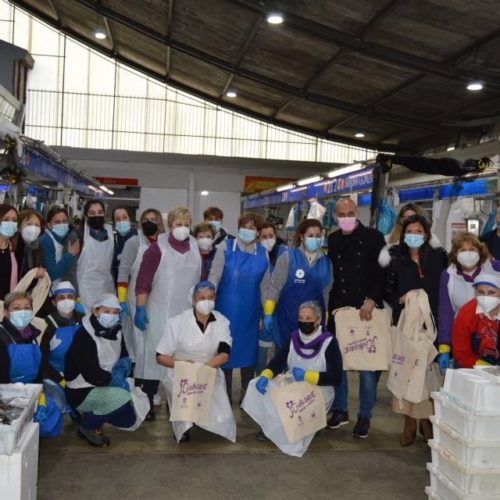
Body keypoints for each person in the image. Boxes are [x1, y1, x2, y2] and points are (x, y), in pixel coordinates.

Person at [243, 301, 342, 455]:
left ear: (318, 320)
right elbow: (278, 362)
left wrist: (308, 376)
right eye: (300, 318)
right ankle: (271, 428)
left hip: (318, 391)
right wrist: (265, 375)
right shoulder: (294, 338)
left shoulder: (329, 341)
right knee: (259, 386)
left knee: (293, 415)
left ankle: (303, 425)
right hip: (293, 385)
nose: (304, 322)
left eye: (308, 318)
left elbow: (336, 377)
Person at [382, 214, 448, 446]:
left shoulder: (439, 257)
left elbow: (446, 284)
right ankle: (409, 422)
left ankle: (427, 421)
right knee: (408, 370)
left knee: (429, 374)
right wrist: (399, 298)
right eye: (410, 231)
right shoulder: (396, 258)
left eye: (419, 231)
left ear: (427, 234)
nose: (414, 236)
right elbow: (386, 289)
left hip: (432, 324)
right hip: (407, 324)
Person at [327, 197, 386, 439]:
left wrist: (372, 299)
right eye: (342, 214)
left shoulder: (374, 238)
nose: (346, 217)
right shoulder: (332, 240)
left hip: (366, 309)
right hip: (339, 310)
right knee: (337, 362)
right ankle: (341, 409)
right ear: (335, 217)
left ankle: (364, 416)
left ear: (357, 213)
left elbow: (385, 271)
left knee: (366, 366)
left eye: (350, 212)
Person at [134, 207, 201, 420]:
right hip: (159, 312)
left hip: (186, 313)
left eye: (186, 224)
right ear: (170, 225)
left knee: (182, 359)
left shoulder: (196, 248)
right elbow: (143, 282)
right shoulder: (156, 249)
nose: (183, 228)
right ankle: (147, 403)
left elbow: (202, 280)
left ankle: (180, 407)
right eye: (178, 224)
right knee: (155, 357)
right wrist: (140, 308)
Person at [156, 280, 235, 443]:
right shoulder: (177, 322)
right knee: (186, 406)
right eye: (202, 297)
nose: (207, 301)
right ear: (193, 300)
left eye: (211, 297)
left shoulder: (222, 322)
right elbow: (160, 356)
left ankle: (201, 418)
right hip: (180, 370)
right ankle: (183, 423)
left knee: (221, 419)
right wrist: (185, 367)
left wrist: (203, 369)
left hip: (209, 369)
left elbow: (224, 354)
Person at [208, 212, 268, 403]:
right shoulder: (225, 247)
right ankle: (223, 397)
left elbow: (265, 287)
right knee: (224, 354)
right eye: (245, 226)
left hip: (250, 314)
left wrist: (267, 313)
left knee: (248, 356)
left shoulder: (263, 252)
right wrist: (208, 303)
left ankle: (247, 396)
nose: (248, 230)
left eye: (252, 227)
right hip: (224, 312)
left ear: (258, 232)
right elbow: (214, 277)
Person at [65, 293, 136, 447]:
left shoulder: (116, 331)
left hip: (105, 384)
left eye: (115, 312)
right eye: (106, 311)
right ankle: (87, 427)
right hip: (81, 390)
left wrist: (124, 371)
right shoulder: (84, 335)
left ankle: (92, 415)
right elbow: (91, 374)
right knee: (121, 398)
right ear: (96, 311)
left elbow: (124, 355)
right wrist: (114, 381)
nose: (111, 316)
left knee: (128, 419)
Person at [261, 219, 332, 350]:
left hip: (313, 323)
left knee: (310, 359)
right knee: (285, 358)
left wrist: (326, 316)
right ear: (302, 237)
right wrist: (268, 313)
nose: (315, 239)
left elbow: (326, 293)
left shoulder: (326, 263)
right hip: (287, 319)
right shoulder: (288, 257)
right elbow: (275, 287)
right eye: (310, 236)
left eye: (318, 236)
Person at [437, 233, 500, 373]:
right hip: (464, 335)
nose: (468, 254)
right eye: (462, 250)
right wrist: (444, 347)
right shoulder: (448, 275)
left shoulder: (495, 268)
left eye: (472, 249)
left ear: (480, 251)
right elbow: (445, 312)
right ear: (455, 254)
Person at [255, 221, 288, 373]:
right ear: (258, 238)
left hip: (282, 309)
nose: (268, 239)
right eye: (264, 236)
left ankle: (279, 384)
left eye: (271, 235)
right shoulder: (256, 255)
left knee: (282, 350)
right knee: (262, 351)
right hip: (262, 311)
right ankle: (259, 380)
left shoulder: (285, 254)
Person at [452, 272, 500, 368]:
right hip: (473, 364)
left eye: (492, 292)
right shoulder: (465, 313)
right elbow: (461, 354)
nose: (486, 297)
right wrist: (484, 368)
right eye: (481, 292)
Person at [39, 281, 84, 385]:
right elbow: (42, 359)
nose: (66, 300)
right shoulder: (46, 324)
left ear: (75, 299)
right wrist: (58, 379)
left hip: (80, 373)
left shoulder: (84, 320)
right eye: (61, 297)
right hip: (53, 375)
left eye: (70, 297)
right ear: (54, 302)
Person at [76, 200, 115, 313]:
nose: (96, 215)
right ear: (86, 215)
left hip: (106, 286)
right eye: (92, 213)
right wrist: (75, 294)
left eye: (100, 212)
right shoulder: (79, 234)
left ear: (104, 214)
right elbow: (72, 267)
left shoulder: (112, 233)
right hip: (85, 289)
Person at [0, 291, 41, 383]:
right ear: (6, 312)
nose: (22, 312)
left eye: (27, 308)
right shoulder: (1, 335)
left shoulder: (34, 336)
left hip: (31, 391)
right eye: (16, 308)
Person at [39, 206, 80, 289]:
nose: (62, 224)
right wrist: (70, 255)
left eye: (64, 221)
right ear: (49, 225)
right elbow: (51, 274)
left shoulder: (68, 238)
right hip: (50, 291)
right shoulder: (46, 240)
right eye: (57, 222)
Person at [15, 209, 46, 279]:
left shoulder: (39, 248)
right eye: (29, 224)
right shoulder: (14, 247)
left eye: (37, 225)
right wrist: (32, 275)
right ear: (19, 227)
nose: (33, 228)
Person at [111, 206, 137, 286]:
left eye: (124, 217)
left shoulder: (138, 238)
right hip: (116, 283)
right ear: (114, 222)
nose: (122, 221)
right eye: (118, 219)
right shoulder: (112, 240)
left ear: (129, 219)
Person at [0, 204, 19, 300]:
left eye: (14, 220)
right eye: (6, 219)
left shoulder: (12, 247)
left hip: (7, 303)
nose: (11, 223)